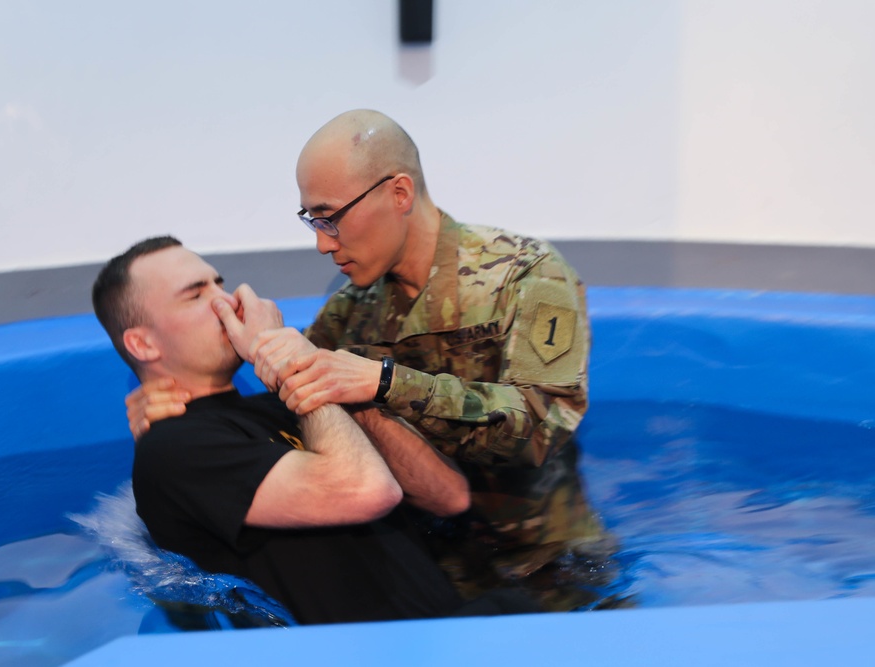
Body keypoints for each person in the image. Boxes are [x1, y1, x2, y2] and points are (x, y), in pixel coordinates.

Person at [128, 110, 617, 610]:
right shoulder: (351, 312)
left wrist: (384, 382)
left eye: (331, 216)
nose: (322, 243)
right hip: (436, 579)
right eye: (312, 221)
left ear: (398, 193)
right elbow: (299, 405)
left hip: (552, 576)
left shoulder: (525, 275)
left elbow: (541, 426)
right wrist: (171, 407)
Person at [92, 236, 536, 626]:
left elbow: (448, 495)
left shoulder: (280, 404)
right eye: (195, 295)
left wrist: (333, 382)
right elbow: (365, 491)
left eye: (220, 284)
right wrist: (290, 366)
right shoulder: (175, 449)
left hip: (462, 625)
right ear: (143, 344)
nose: (228, 302)